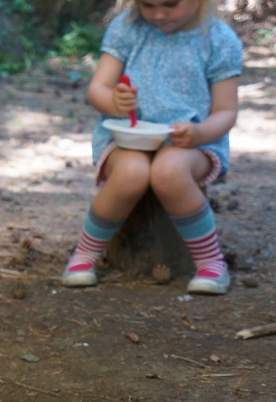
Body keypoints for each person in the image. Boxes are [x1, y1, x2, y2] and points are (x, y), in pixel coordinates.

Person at [61, 0, 242, 294]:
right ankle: (85, 254)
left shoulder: (219, 40)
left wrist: (199, 133)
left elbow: (226, 111)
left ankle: (211, 262)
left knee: (169, 171)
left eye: (170, 4)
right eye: (148, 4)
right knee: (132, 172)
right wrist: (114, 102)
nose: (159, 14)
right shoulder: (128, 28)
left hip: (193, 143)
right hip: (125, 137)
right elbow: (98, 89)